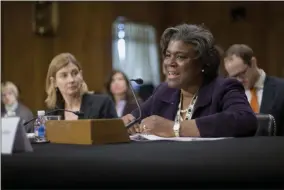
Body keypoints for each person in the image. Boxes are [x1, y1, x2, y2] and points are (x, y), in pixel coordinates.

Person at [122, 24, 258, 138]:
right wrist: (128, 122)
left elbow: (245, 120)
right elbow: (135, 118)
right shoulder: (164, 91)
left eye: (180, 57)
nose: (170, 63)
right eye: (168, 55)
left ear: (203, 63)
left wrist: (175, 128)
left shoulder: (224, 88)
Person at [224, 44, 284, 136]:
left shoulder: (281, 88)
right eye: (234, 76)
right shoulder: (230, 94)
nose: (239, 80)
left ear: (253, 62)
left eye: (242, 73)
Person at [45, 53, 118, 120]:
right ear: (54, 82)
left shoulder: (102, 104)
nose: (71, 80)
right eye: (64, 75)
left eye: (75, 73)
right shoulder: (52, 113)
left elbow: (115, 133)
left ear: (81, 75)